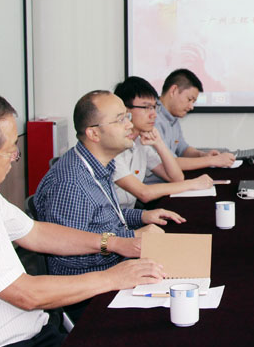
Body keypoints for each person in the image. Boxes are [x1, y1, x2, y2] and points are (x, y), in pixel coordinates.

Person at [0, 90, 165, 347]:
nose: (15, 157)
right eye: (10, 151)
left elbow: (36, 233)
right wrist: (114, 277)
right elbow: (25, 294)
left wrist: (115, 243)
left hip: (30, 331)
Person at [34, 90, 184, 319]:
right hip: (91, 295)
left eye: (127, 117)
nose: (129, 125)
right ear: (94, 133)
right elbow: (67, 257)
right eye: (120, 119)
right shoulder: (70, 183)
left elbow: (103, 215)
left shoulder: (100, 165)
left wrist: (142, 216)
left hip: (116, 271)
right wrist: (128, 239)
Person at [112, 76, 214, 208]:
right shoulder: (112, 148)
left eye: (154, 107)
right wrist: (193, 184)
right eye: (146, 107)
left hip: (128, 214)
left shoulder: (140, 143)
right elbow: (144, 193)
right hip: (114, 217)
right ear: (125, 111)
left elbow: (176, 178)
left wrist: (159, 143)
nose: (154, 114)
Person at [146, 68, 235, 184]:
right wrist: (212, 160)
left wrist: (201, 155)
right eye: (189, 99)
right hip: (155, 186)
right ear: (173, 91)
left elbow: (183, 149)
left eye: (193, 102)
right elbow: (170, 162)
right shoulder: (152, 119)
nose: (191, 107)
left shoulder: (172, 118)